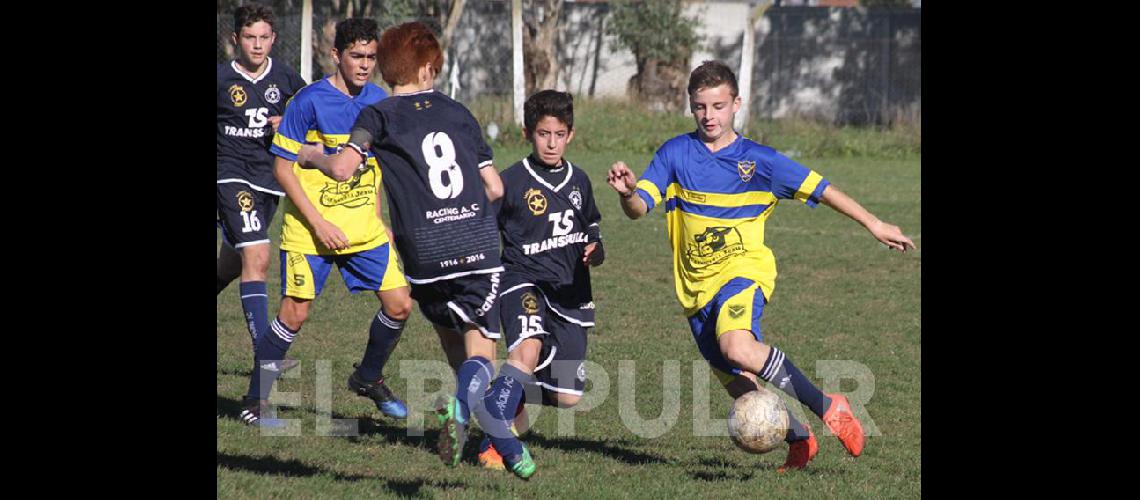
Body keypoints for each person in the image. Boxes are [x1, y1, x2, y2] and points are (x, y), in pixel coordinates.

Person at [605, 60, 915, 472]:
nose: (709, 115)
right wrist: (627, 193)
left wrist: (874, 223)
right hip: (695, 289)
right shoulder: (675, 153)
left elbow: (823, 190)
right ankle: (799, 439)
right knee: (739, 385)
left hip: (743, 272)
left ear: (736, 104)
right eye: (700, 106)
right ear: (690, 107)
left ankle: (828, 405)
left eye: (718, 106)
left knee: (739, 347)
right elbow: (639, 207)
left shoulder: (759, 161)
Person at [295, 22, 507, 470]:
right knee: (482, 349)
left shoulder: (377, 115)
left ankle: (468, 425)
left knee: (452, 337)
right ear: (430, 68)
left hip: (422, 256)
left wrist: (310, 154)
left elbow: (341, 170)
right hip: (472, 244)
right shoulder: (457, 111)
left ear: (387, 68)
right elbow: (493, 186)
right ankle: (468, 418)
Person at [238, 18, 412, 427]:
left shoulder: (379, 102)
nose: (365, 65)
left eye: (371, 57)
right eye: (357, 56)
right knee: (294, 315)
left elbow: (376, 168)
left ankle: (368, 377)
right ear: (336, 55)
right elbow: (282, 169)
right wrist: (317, 224)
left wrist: (380, 219)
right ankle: (253, 403)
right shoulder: (308, 101)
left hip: (361, 227)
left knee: (401, 304)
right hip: (309, 232)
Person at [473, 90, 604, 478]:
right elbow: (482, 228)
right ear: (528, 133)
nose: (551, 142)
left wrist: (596, 250)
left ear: (570, 135)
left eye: (559, 134)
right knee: (526, 349)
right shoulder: (510, 181)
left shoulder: (579, 180)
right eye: (543, 134)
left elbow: (592, 228)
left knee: (567, 397)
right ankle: (494, 435)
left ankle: (505, 396)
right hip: (522, 281)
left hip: (571, 292)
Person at [217, 3, 307, 366]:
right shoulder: (221, 80)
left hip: (270, 182)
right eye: (250, 38)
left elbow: (308, 120)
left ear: (274, 39)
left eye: (264, 38)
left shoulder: (287, 79)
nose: (257, 45)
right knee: (257, 255)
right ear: (235, 39)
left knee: (232, 264)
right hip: (229, 175)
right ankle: (266, 355)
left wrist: (288, 121)